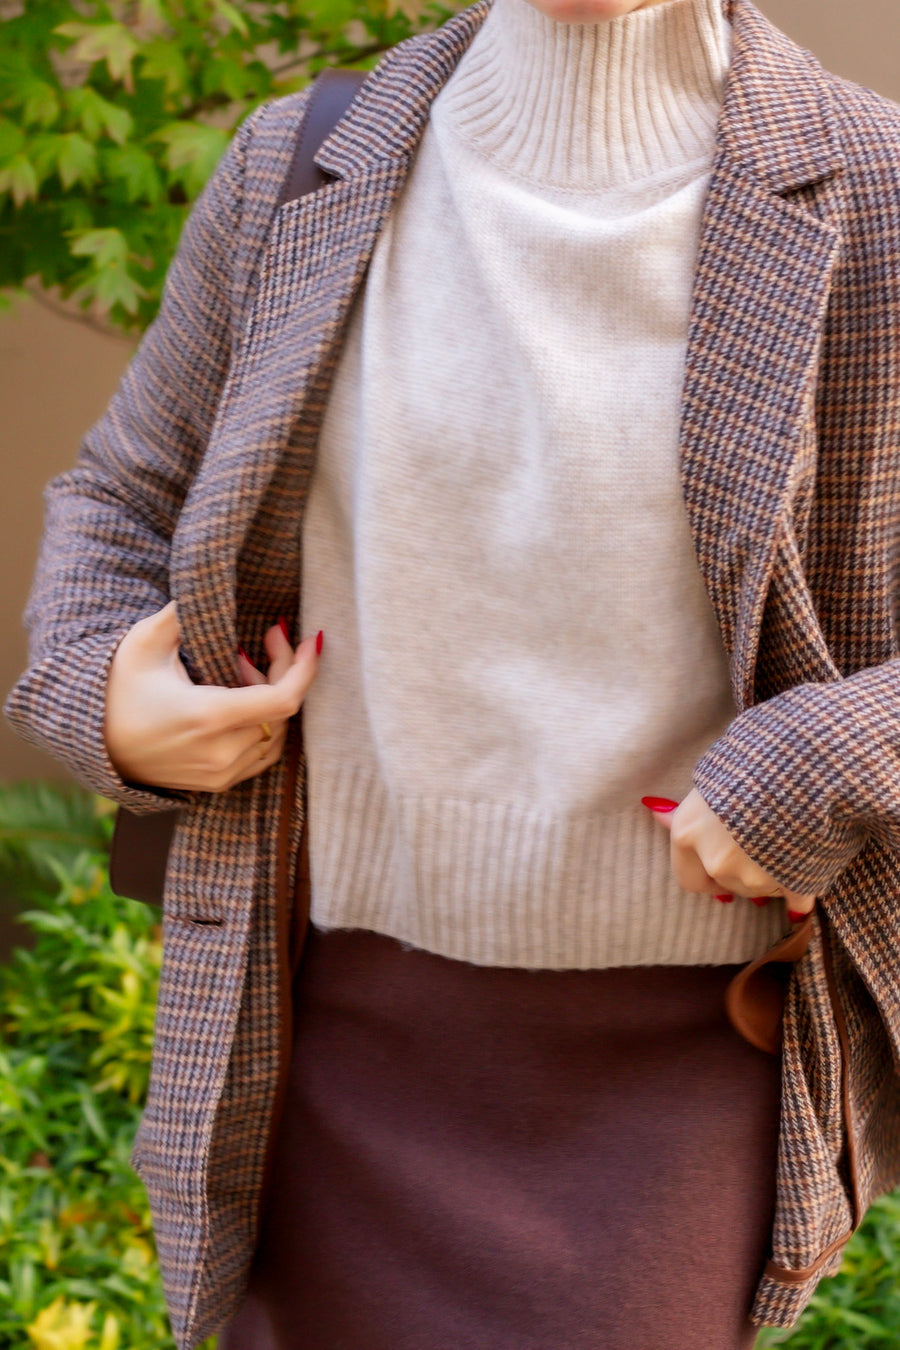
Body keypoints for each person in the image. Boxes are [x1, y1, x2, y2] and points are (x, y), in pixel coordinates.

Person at [5, 0, 900, 1344]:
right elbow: (125, 494)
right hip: (313, 1041)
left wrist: (822, 760)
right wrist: (105, 699)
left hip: (672, 1075)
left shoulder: (875, 192)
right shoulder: (300, 161)